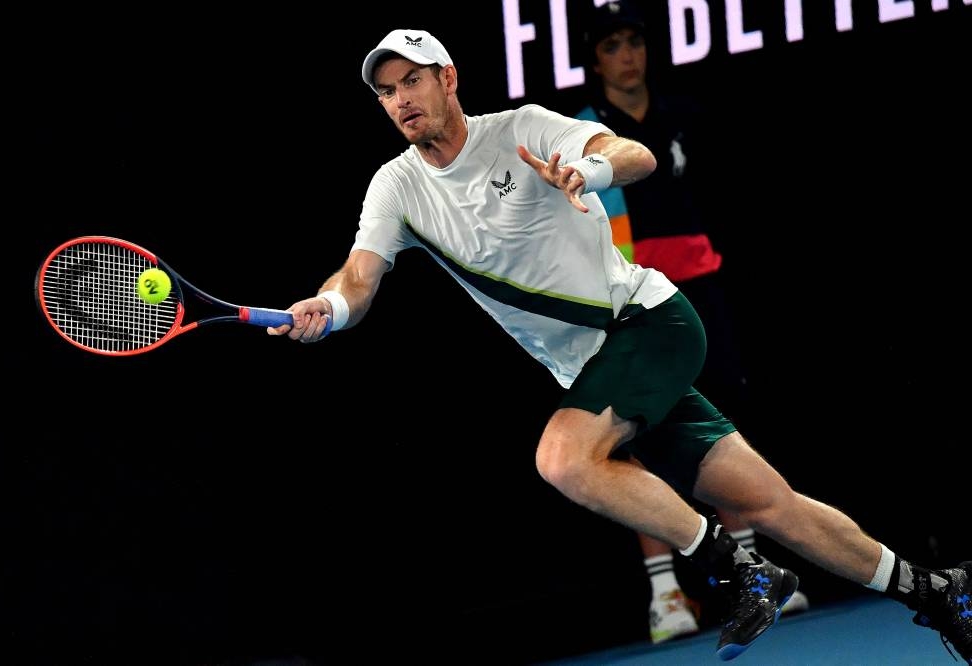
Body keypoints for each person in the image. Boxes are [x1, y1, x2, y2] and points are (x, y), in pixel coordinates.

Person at [267, 27, 971, 663]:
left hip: (648, 323)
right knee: (767, 501)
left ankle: (740, 571)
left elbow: (628, 154)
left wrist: (589, 171)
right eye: (387, 91)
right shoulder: (396, 186)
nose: (401, 100)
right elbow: (358, 278)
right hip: (601, 363)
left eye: (412, 80)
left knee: (563, 458)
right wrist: (326, 308)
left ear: (448, 78)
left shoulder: (524, 128)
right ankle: (935, 592)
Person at [573, 0, 810, 644]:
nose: (628, 55)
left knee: (722, 425)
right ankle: (665, 593)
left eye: (634, 42)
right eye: (612, 46)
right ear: (595, 61)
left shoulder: (688, 119)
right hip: (633, 300)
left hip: (702, 290)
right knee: (636, 438)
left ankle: (754, 570)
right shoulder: (583, 132)